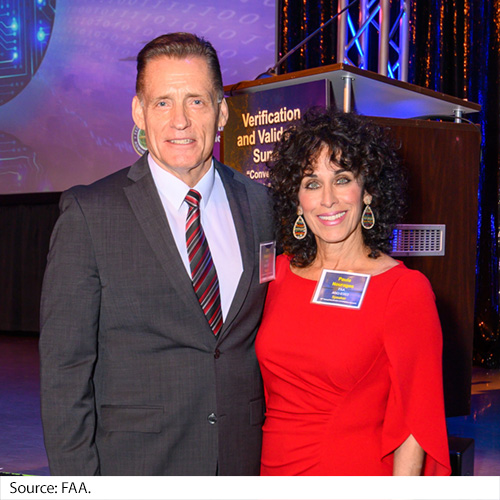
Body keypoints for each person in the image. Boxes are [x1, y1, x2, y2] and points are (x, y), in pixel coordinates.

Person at [39, 32, 274, 476]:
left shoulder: (261, 205)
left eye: (197, 102)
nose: (180, 121)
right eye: (163, 102)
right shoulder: (90, 213)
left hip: (243, 464)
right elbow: (64, 370)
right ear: (139, 112)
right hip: (137, 467)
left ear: (222, 111)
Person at [256, 108, 451, 476]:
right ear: (297, 201)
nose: (328, 199)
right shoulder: (278, 274)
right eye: (312, 183)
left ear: (369, 192)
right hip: (272, 470)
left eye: (342, 179)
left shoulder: (404, 290)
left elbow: (417, 424)